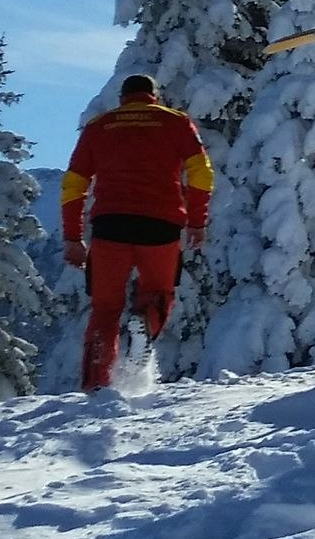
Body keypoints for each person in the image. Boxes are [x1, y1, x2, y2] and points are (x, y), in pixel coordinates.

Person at [60, 73, 213, 391]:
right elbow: (201, 173)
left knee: (105, 308)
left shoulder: (99, 127)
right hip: (161, 227)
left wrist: (73, 237)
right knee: (159, 294)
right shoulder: (175, 122)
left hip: (110, 227)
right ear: (154, 96)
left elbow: (74, 185)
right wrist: (197, 222)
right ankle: (145, 321)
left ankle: (95, 384)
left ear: (122, 98)